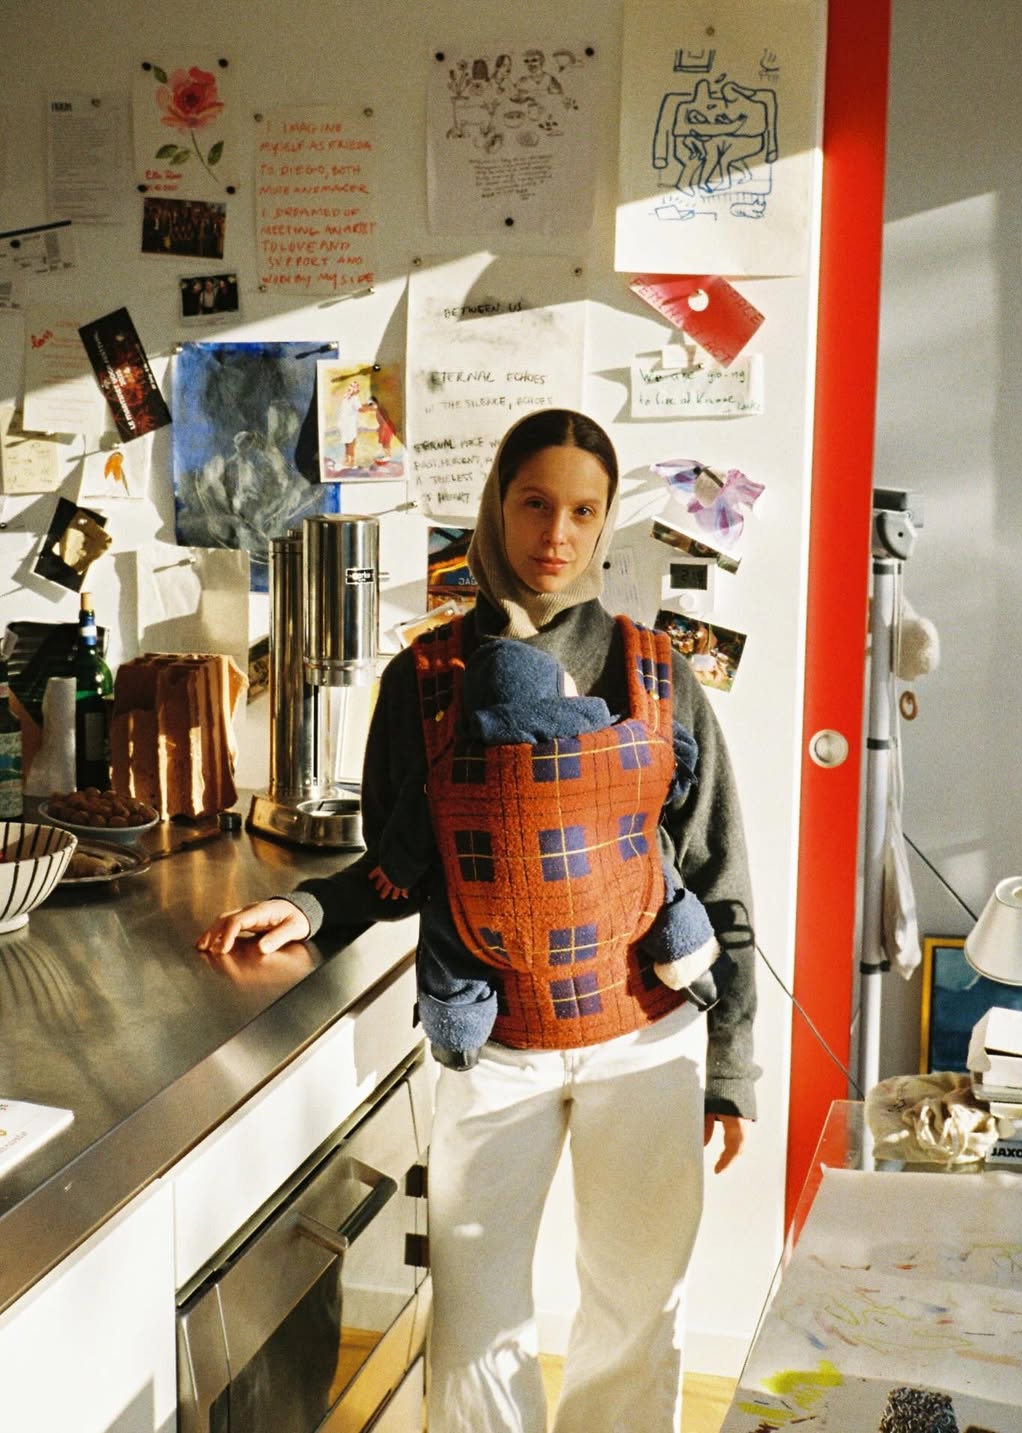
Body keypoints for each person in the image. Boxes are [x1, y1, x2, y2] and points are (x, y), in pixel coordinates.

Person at [197, 408, 758, 1433]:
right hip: (495, 1044)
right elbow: (407, 864)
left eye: (583, 510)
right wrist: (311, 906)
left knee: (638, 1310)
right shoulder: (425, 679)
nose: (557, 532)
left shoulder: (659, 670)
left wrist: (733, 1064)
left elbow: (721, 879)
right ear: (498, 505)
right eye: (535, 502)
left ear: (605, 522)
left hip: (647, 1039)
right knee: (477, 1305)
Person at [368, 634, 725, 1070]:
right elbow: (673, 760)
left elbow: (411, 827)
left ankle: (456, 1033)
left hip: (493, 931)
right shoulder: (615, 732)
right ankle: (690, 959)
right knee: (656, 871)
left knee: (448, 936)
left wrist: (395, 871)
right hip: (637, 980)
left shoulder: (449, 766)